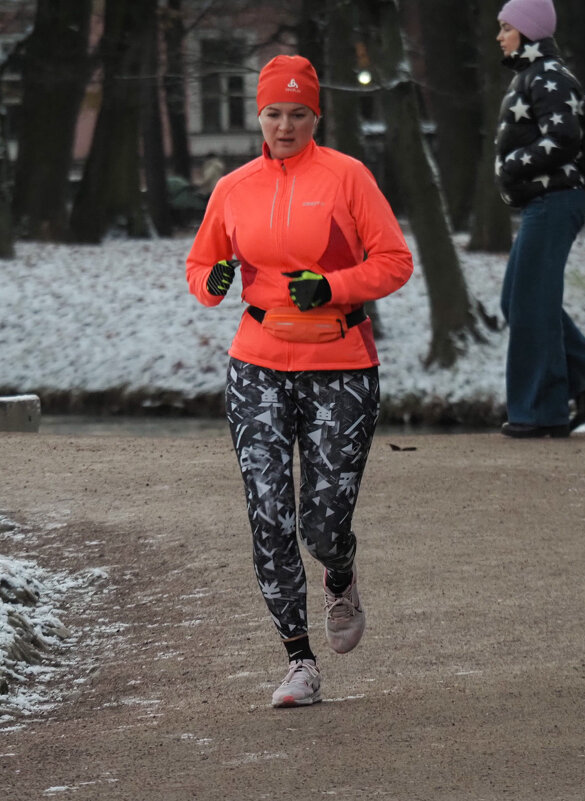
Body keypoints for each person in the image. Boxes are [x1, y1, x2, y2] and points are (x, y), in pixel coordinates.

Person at [186, 55, 413, 707]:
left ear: (316, 115)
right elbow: (202, 262)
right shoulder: (233, 186)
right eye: (273, 112)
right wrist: (213, 282)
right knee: (268, 514)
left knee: (321, 524)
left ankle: (338, 573)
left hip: (340, 363)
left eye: (297, 113)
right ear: (259, 116)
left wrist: (333, 287)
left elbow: (395, 261)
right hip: (256, 362)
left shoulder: (347, 177)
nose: (284, 125)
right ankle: (298, 659)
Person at [495, 0, 585, 438]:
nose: (500, 36)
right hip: (543, 204)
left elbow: (563, 136)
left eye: (506, 27)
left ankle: (538, 412)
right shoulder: (533, 75)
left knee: (528, 303)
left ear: (527, 32)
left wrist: (512, 165)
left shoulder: (547, 75)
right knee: (518, 301)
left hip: (555, 201)